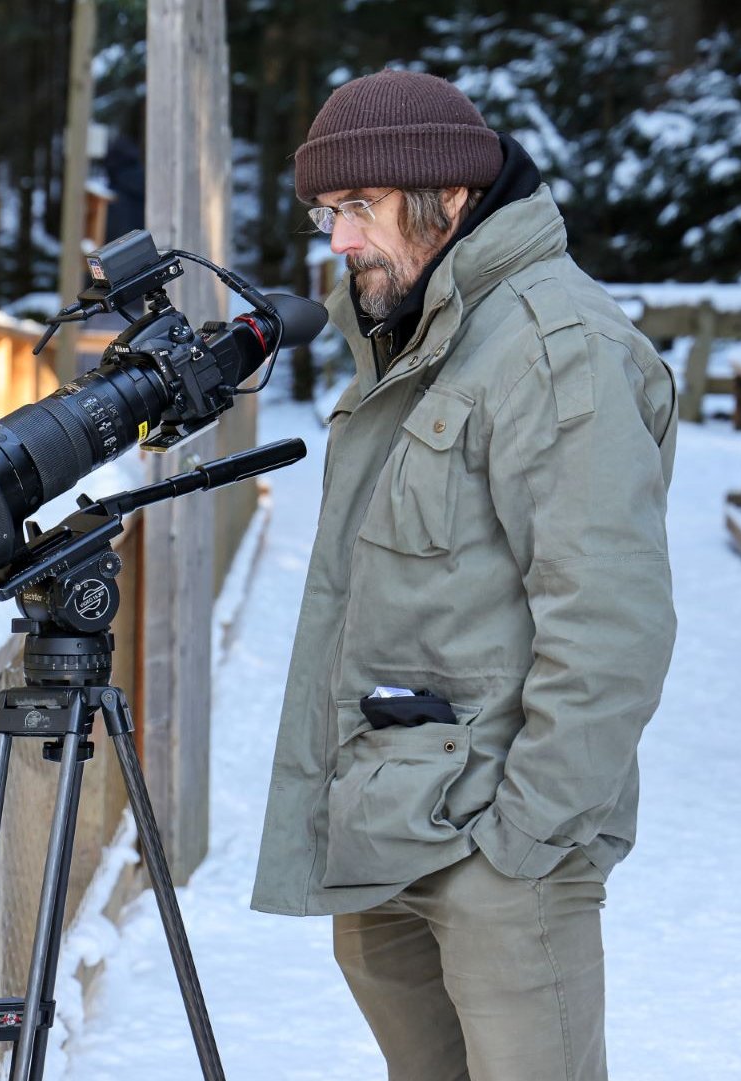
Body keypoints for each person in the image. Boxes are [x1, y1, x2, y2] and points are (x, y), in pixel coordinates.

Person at [250, 70, 679, 1081]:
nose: (337, 240)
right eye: (325, 213)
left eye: (357, 208)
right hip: (388, 830)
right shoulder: (421, 333)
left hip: (498, 855)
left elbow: (612, 622)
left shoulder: (546, 347)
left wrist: (522, 839)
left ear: (443, 195)